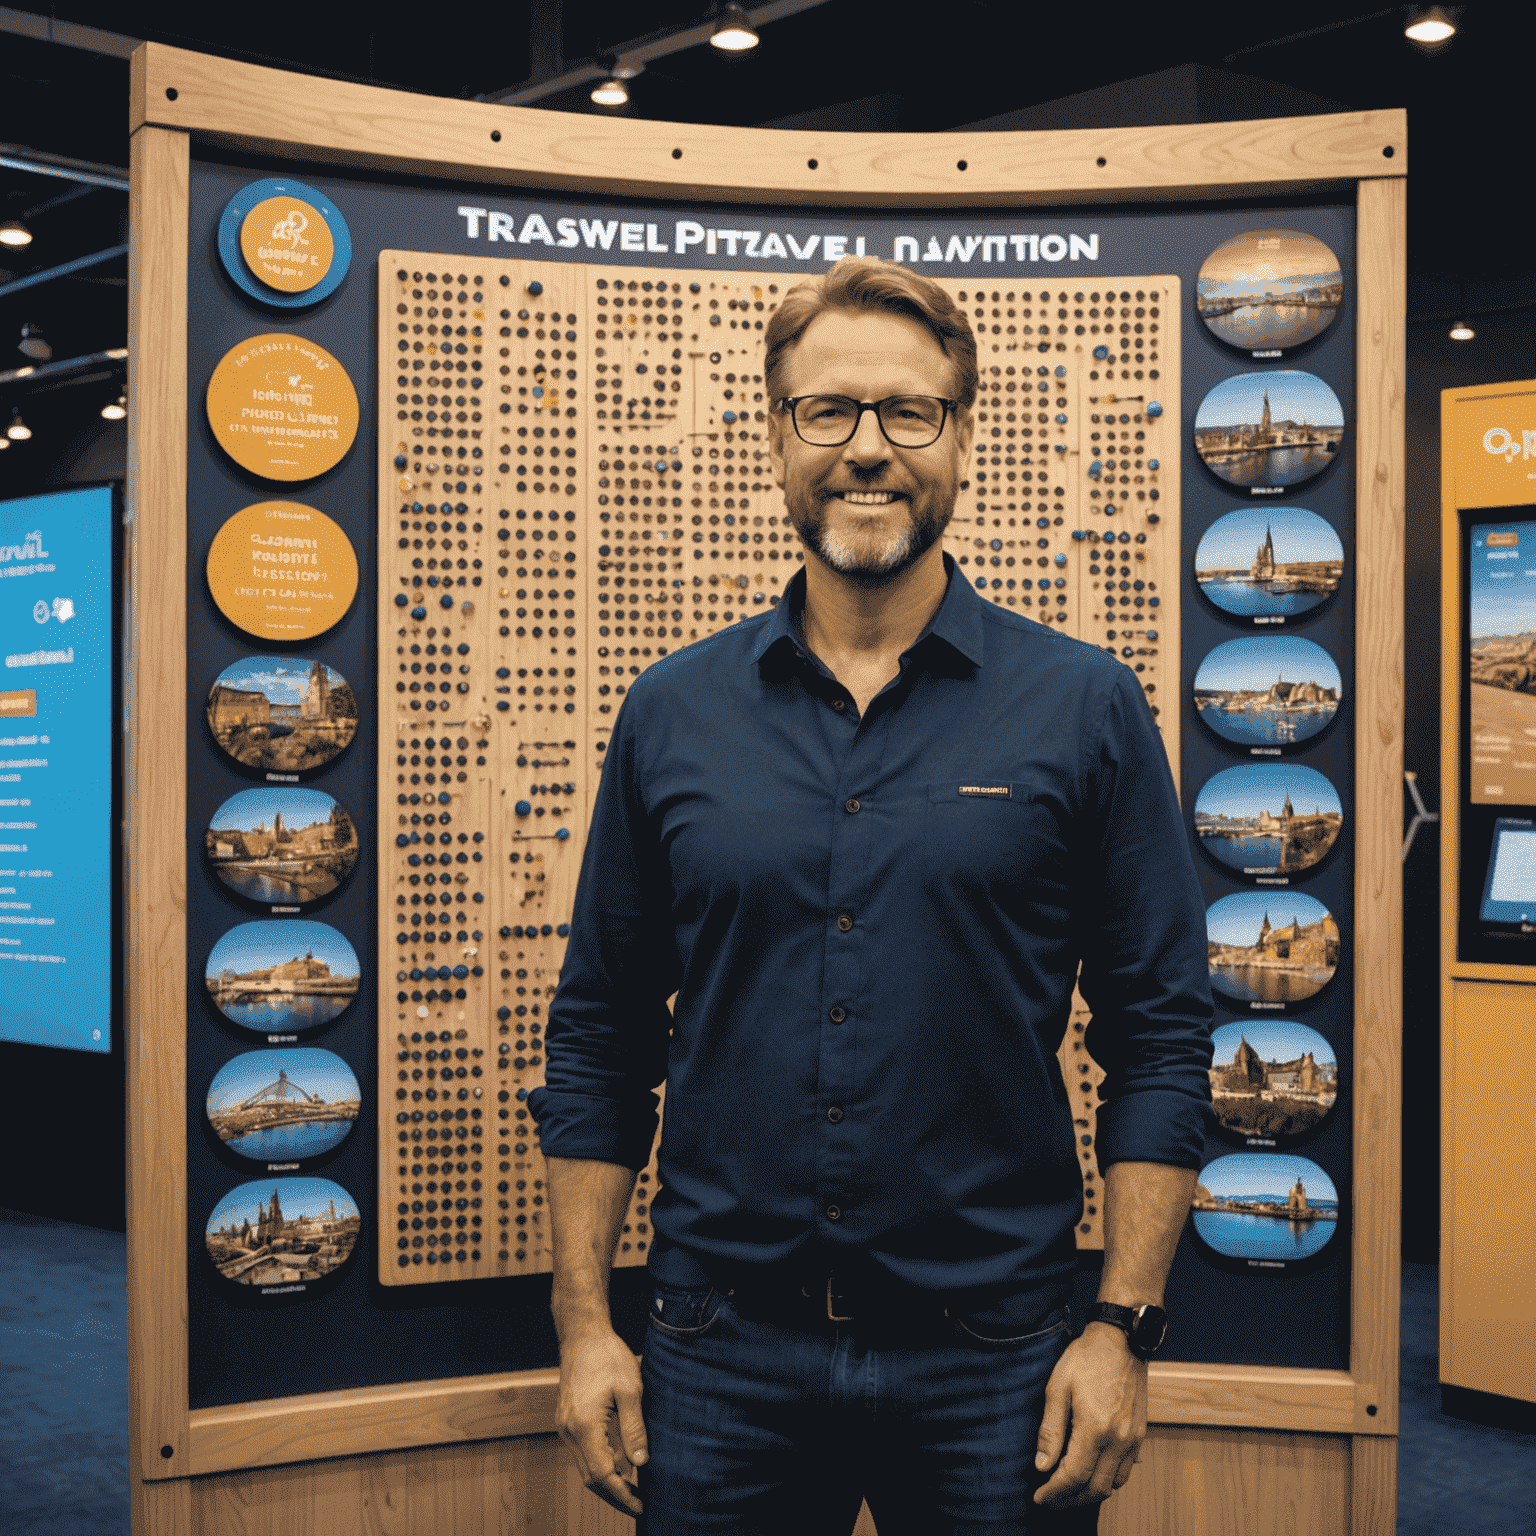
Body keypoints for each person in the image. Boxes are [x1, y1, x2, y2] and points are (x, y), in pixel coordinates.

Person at [529, 254, 1214, 1535]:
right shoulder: (671, 712)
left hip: (999, 1359)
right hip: (716, 1350)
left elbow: (1162, 1040)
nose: (868, 449)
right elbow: (601, 1034)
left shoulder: (1083, 708)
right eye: (827, 410)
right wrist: (583, 1326)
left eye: (909, 411)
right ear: (776, 435)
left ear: (962, 433)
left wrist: (1121, 1326)